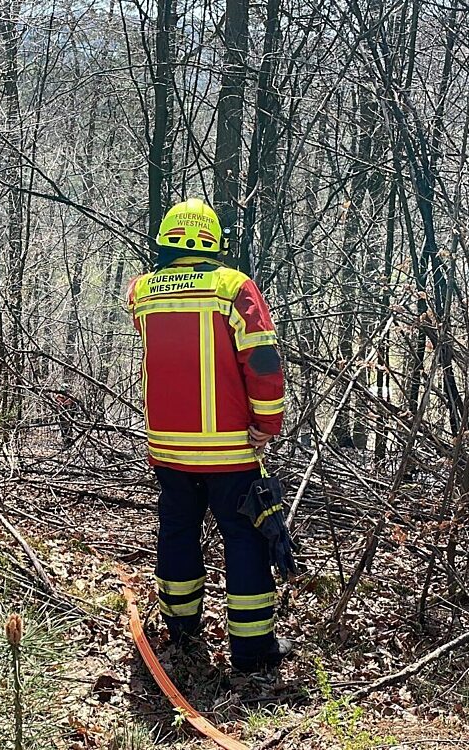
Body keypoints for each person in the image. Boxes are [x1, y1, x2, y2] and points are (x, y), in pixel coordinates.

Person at [126, 198, 292, 673]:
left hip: (169, 448)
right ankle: (252, 649)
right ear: (215, 242)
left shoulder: (142, 292)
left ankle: (180, 631)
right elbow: (262, 361)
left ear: (165, 240)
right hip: (230, 449)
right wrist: (268, 423)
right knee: (245, 538)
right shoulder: (233, 287)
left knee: (177, 533)